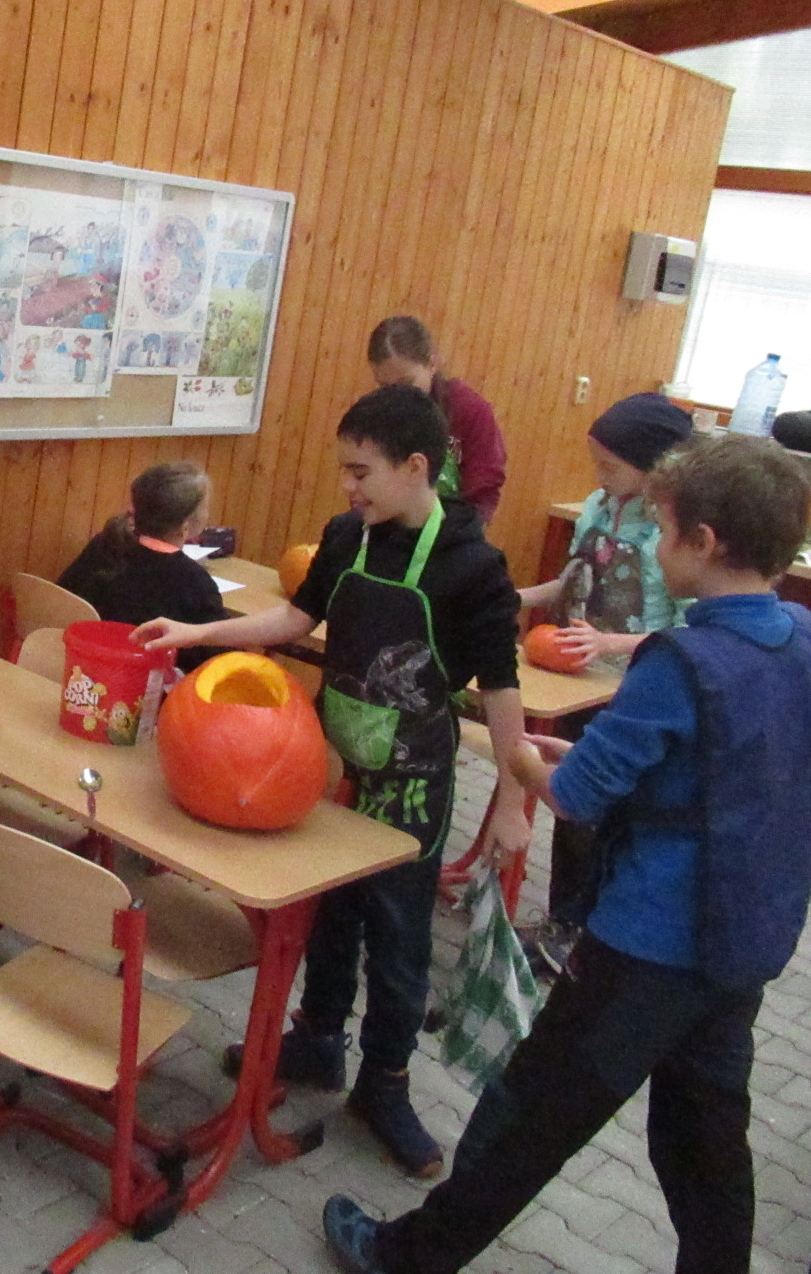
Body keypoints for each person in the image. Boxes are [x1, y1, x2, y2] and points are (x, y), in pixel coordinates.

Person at [323, 433, 811, 1274]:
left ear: (705, 543)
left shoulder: (680, 660)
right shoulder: (805, 636)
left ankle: (407, 1257)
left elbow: (576, 799)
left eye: (663, 532)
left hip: (650, 945)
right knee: (705, 1131)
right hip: (747, 934)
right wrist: (587, 758)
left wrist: (518, 753)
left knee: (527, 1115)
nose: (656, 548)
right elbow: (723, 766)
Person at [137, 384, 533, 1178]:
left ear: (415, 466)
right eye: (344, 472)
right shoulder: (348, 536)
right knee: (330, 914)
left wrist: (515, 802)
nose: (347, 488)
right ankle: (319, 1040)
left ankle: (385, 1084)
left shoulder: (473, 566)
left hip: (411, 788)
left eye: (361, 472)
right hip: (334, 768)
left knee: (398, 938)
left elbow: (500, 689)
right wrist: (198, 632)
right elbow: (295, 621)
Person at [516, 390, 696, 974]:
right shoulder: (598, 506)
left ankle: (596, 936)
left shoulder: (672, 533)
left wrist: (611, 643)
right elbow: (572, 581)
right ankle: (563, 923)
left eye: (610, 466)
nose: (599, 476)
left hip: (632, 690)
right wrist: (515, 596)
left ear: (653, 469)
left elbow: (691, 635)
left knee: (607, 817)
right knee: (572, 809)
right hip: (576, 679)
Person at [58, 461, 230, 671]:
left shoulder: (105, 544)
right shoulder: (195, 581)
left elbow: (64, 599)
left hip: (82, 667)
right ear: (185, 527)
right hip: (148, 682)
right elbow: (217, 658)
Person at [368, 316, 506, 524]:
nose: (398, 394)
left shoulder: (469, 409)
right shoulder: (378, 411)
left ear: (432, 364)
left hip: (452, 527)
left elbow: (485, 484)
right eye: (385, 386)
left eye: (407, 382)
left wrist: (464, 531)